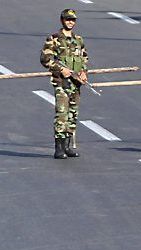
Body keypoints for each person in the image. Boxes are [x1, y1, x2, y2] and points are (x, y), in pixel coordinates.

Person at [40, 9, 88, 159]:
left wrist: (83, 72)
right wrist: (61, 69)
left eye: (72, 20)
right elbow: (45, 59)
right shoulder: (53, 38)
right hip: (62, 82)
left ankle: (67, 146)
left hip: (75, 84)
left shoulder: (78, 39)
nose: (70, 22)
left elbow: (84, 57)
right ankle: (59, 148)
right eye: (67, 19)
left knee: (73, 115)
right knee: (62, 114)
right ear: (62, 20)